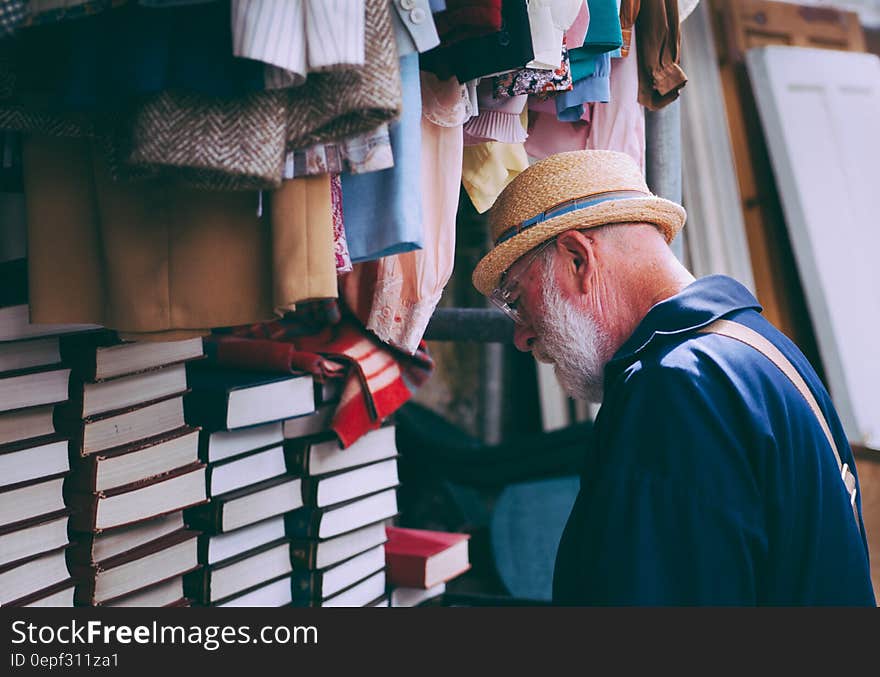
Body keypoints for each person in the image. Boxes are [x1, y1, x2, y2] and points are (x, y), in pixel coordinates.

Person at [471, 150, 875, 605]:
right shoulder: (755, 349)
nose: (522, 337)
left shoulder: (678, 387)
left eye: (518, 300)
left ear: (577, 259)